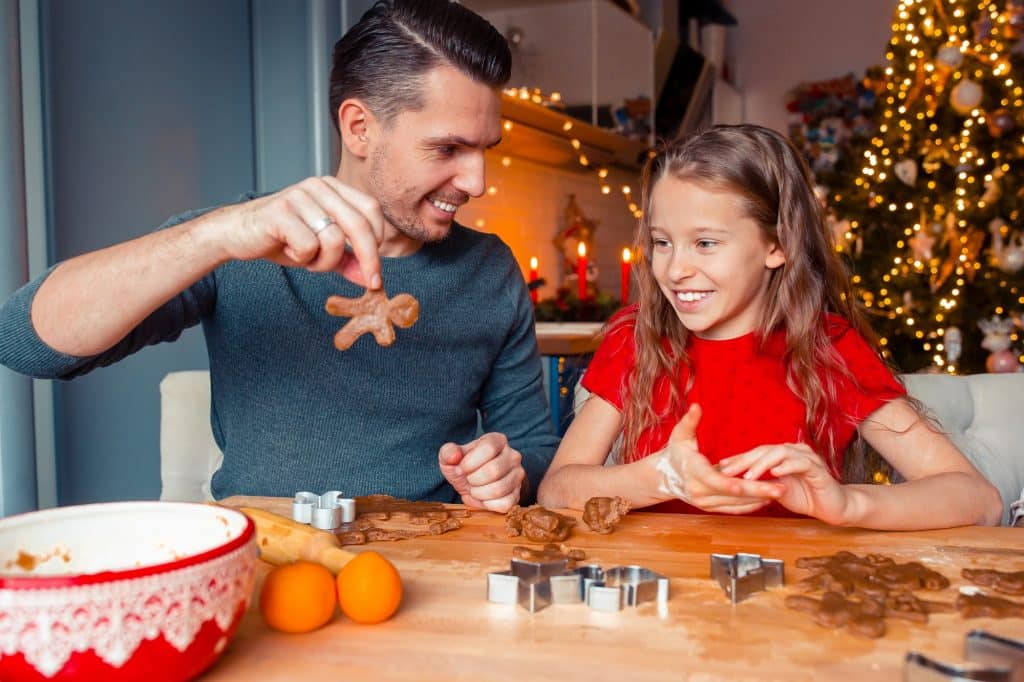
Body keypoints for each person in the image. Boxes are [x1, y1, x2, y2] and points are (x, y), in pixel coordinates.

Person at [0, 0, 558, 511]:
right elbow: (23, 343)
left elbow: (532, 444)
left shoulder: (489, 270)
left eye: (485, 150)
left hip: (435, 566)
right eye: (448, 148)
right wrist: (212, 237)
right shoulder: (241, 242)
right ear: (359, 128)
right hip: (272, 567)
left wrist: (508, 472)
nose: (478, 182)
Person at [537, 124, 1002, 529]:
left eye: (704, 242)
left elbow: (977, 500)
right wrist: (657, 478)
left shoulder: (829, 348)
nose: (675, 268)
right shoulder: (637, 338)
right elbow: (557, 489)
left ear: (776, 245)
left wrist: (846, 504)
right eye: (662, 242)